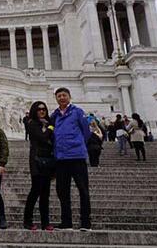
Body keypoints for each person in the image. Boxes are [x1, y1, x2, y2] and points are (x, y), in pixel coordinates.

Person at [50, 87, 92, 231]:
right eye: (59, 96)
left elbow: (86, 132)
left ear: (69, 97)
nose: (61, 98)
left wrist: (79, 144)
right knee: (62, 191)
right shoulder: (54, 115)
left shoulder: (77, 112)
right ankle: (66, 222)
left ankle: (86, 222)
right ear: (56, 98)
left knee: (83, 190)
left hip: (77, 156)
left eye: (64, 95)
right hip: (61, 158)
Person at [23, 101, 54, 231]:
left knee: (45, 193)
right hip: (36, 161)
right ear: (34, 111)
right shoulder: (32, 124)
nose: (42, 111)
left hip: (48, 160)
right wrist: (51, 128)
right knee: (35, 191)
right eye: (39, 109)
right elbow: (42, 137)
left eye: (44, 109)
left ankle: (45, 222)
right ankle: (27, 220)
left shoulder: (47, 124)